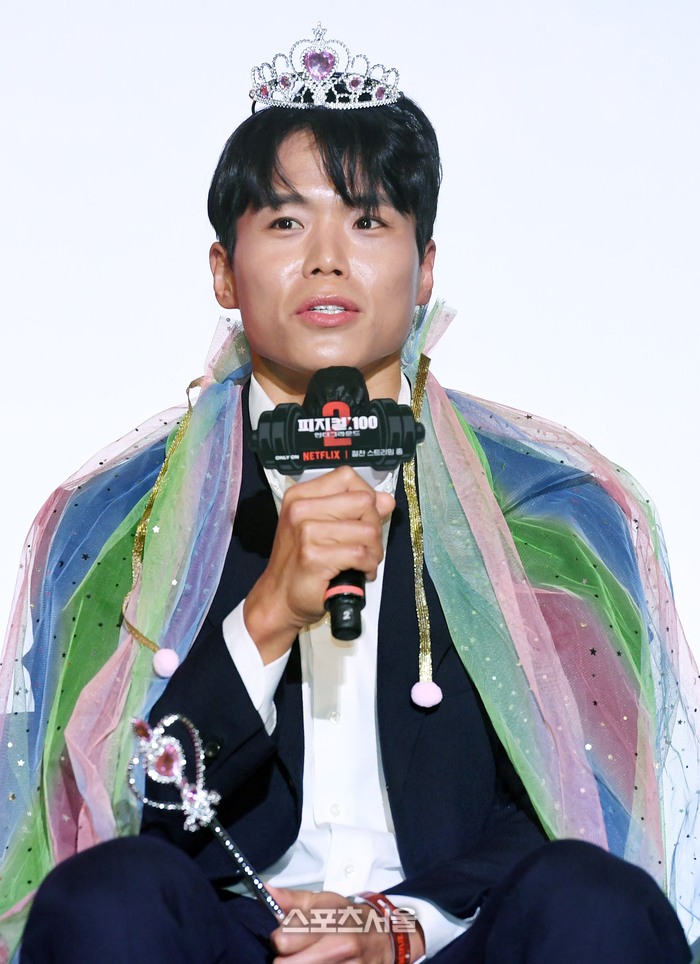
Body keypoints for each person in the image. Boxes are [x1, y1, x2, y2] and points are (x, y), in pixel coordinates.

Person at [2, 24, 698, 964]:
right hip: (228, 936)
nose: (327, 257)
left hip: (453, 937)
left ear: (426, 266)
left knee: (594, 905)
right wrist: (264, 618)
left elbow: (582, 808)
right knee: (104, 903)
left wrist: (402, 925)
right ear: (223, 270)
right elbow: (105, 813)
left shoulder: (550, 511)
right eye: (286, 222)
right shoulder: (118, 521)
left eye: (368, 221)